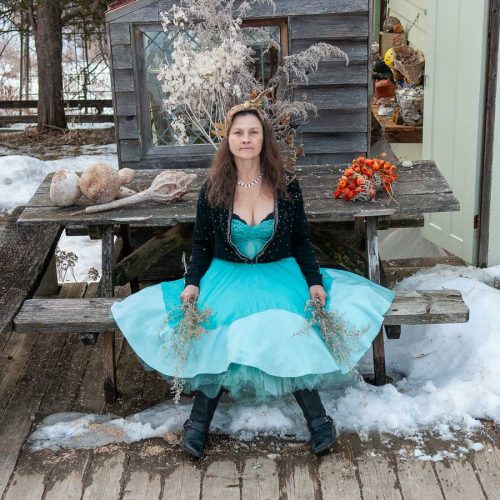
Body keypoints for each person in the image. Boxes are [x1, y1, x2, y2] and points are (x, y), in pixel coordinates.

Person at [111, 101, 395, 458]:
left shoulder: (286, 187)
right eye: (239, 132)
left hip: (280, 276)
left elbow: (302, 241)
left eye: (253, 132)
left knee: (288, 329)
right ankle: (198, 423)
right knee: (216, 330)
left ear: (264, 139)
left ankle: (318, 420)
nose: (246, 139)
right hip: (226, 276)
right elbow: (200, 244)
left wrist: (314, 282)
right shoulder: (213, 188)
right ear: (228, 140)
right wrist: (193, 282)